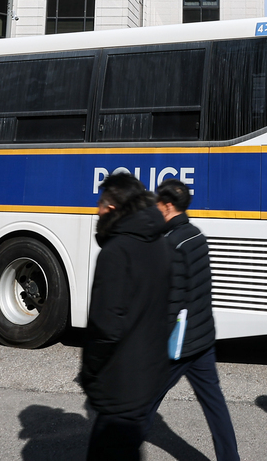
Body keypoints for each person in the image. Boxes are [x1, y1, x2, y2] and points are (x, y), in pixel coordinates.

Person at [144, 178, 240, 461]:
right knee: (215, 405)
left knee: (142, 404)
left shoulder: (171, 243)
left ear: (169, 205)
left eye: (158, 205)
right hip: (203, 340)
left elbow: (170, 302)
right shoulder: (196, 234)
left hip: (178, 347)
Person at [79, 173, 170, 460]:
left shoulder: (116, 251)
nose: (97, 210)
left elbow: (105, 327)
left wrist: (90, 374)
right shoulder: (159, 243)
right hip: (148, 377)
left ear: (113, 209)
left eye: (101, 203)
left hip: (119, 384)